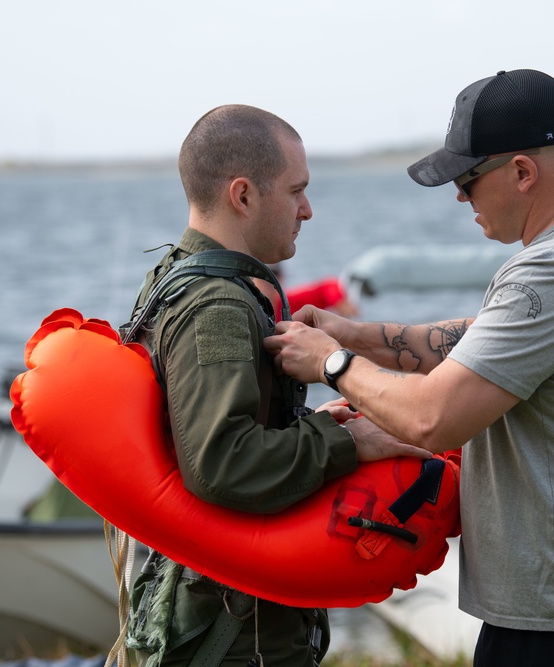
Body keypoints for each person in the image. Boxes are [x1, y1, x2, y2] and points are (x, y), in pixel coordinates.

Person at [265, 69, 554, 665]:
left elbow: (433, 419)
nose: (460, 196)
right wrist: (355, 333)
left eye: (466, 178)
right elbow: (487, 341)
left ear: (521, 172)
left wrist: (331, 362)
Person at [123, 104, 429, 667]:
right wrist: (346, 443)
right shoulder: (215, 305)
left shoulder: (177, 279)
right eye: (296, 191)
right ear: (242, 195)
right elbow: (221, 462)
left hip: (221, 618)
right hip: (232, 638)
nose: (308, 210)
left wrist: (323, 422)